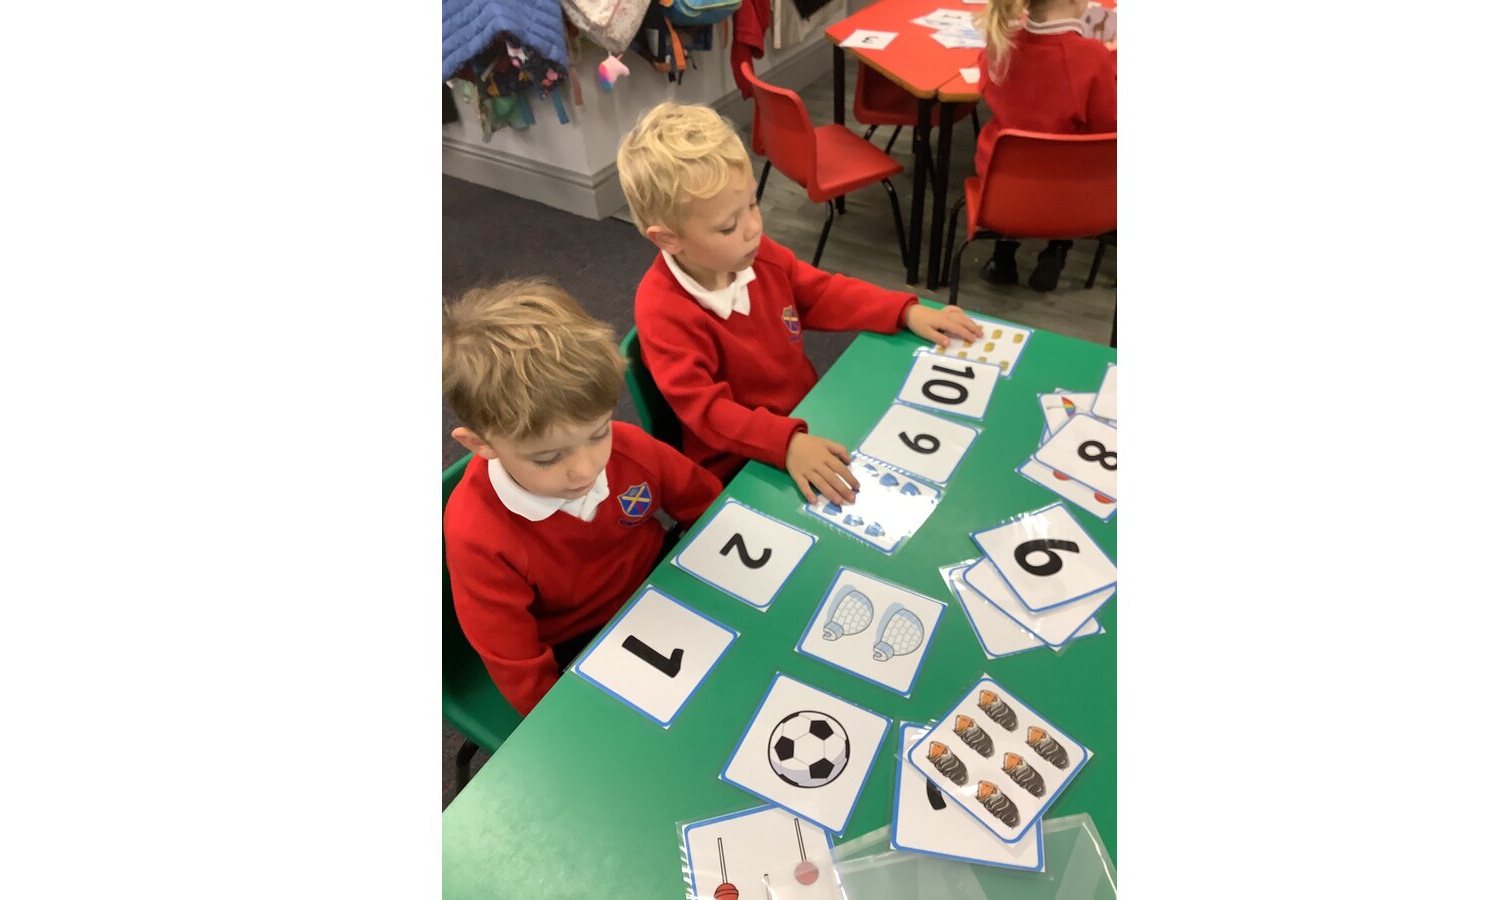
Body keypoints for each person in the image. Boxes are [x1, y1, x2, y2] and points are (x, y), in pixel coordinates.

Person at [616, 101, 983, 504]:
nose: (753, 228)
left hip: (806, 417)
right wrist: (786, 443)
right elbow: (707, 411)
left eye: (752, 205)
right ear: (668, 239)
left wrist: (904, 310)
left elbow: (822, 293)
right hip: (740, 465)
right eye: (727, 226)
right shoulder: (663, 310)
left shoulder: (757, 255)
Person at [443, 277, 723, 715]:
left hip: (661, 577)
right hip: (581, 640)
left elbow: (709, 508)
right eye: (548, 458)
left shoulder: (628, 447)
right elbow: (515, 663)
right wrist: (562, 723)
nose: (586, 469)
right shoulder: (477, 533)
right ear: (481, 444)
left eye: (597, 434)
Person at [975, 0, 1117, 291]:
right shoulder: (1092, 57)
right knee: (1075, 153)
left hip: (1001, 191)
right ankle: (1057, 250)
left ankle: (1003, 257)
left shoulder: (1000, 45)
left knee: (1025, 152)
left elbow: (988, 88)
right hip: (1070, 195)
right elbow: (1108, 126)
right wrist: (1111, 61)